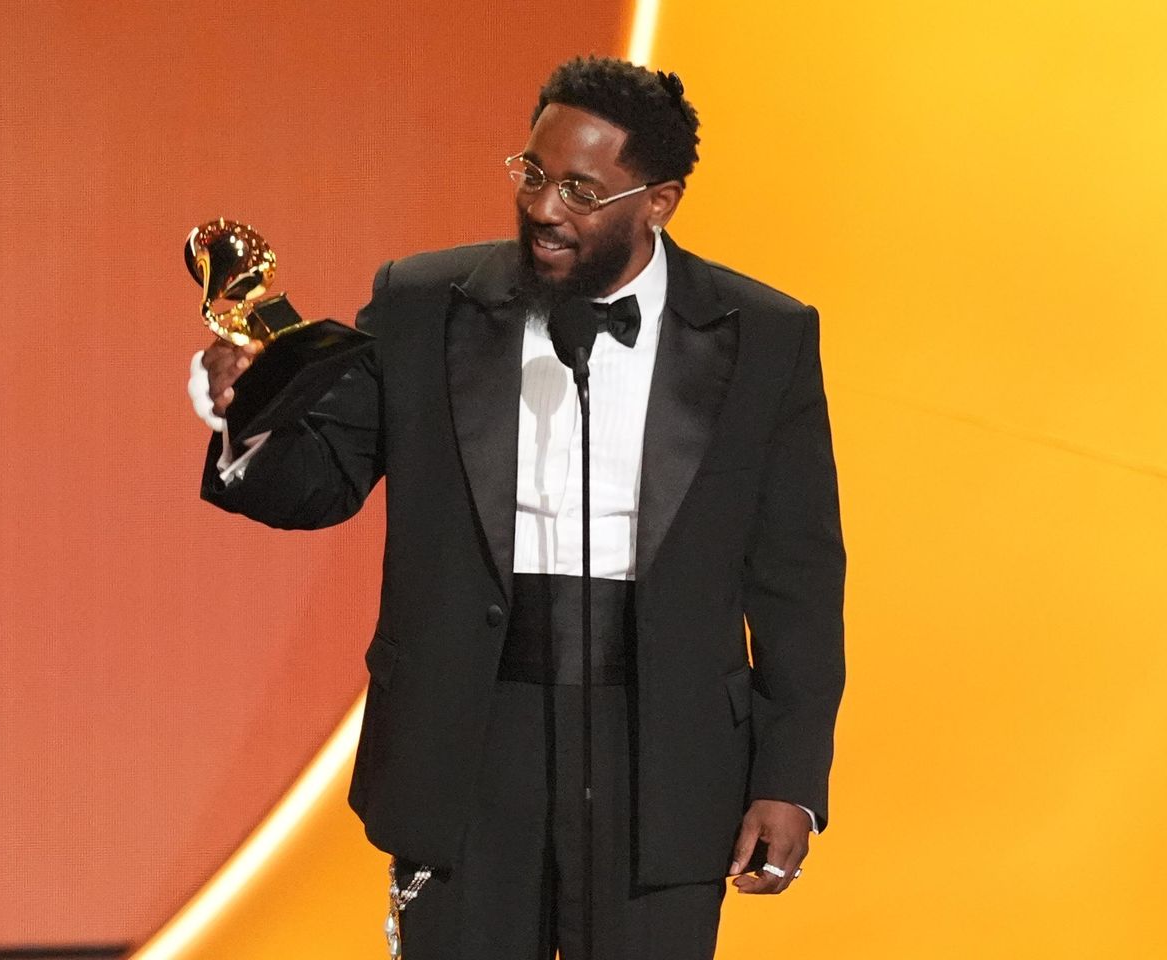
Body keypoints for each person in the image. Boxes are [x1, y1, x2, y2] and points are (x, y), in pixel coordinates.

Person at [188, 56, 845, 960]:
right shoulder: (425, 304)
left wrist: (789, 777)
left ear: (659, 202)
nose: (543, 208)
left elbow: (797, 577)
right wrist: (242, 413)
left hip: (665, 754)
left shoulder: (764, 333)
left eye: (581, 190)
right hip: (468, 739)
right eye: (533, 174)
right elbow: (321, 482)